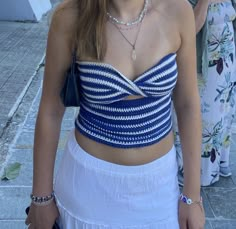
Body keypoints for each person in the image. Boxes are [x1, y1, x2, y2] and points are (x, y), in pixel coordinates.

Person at [25, 0, 205, 228]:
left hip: (159, 190)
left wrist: (192, 196)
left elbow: (188, 105)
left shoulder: (178, 10)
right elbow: (51, 110)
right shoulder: (71, 16)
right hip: (87, 192)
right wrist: (41, 197)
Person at [173, 0, 236, 186]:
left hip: (225, 51)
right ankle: (194, 172)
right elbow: (189, 29)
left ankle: (218, 163)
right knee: (203, 115)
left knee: (222, 112)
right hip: (202, 57)